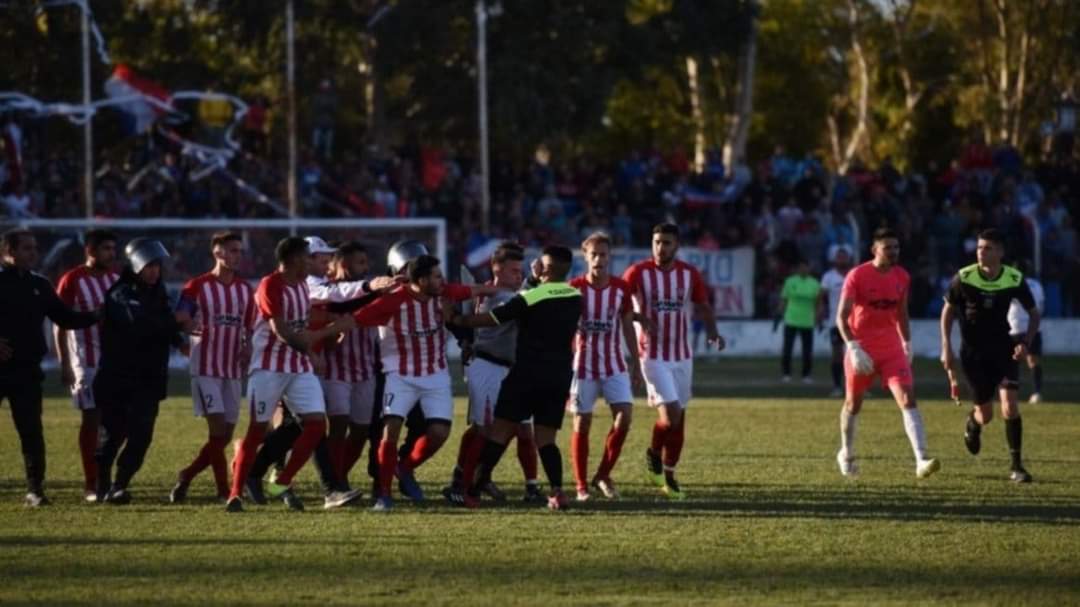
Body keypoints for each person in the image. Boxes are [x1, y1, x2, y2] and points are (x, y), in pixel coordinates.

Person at [344, 255, 502, 511]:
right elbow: (356, 317)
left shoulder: (443, 294)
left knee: (439, 433)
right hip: (399, 375)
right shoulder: (393, 299)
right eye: (437, 276)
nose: (443, 280)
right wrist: (321, 334)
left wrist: (513, 288)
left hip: (435, 376)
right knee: (389, 429)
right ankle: (383, 494)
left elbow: (477, 289)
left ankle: (403, 469)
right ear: (422, 279)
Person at [224, 237, 355, 513]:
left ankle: (282, 481)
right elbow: (284, 333)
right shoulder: (270, 285)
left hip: (297, 367)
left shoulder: (301, 287)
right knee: (257, 430)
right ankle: (235, 494)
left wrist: (314, 351)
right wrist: (326, 333)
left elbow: (302, 327)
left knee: (317, 424)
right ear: (295, 259)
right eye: (309, 257)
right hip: (268, 368)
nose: (314, 262)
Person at [450, 245, 583, 510]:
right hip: (559, 376)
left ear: (544, 268)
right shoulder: (575, 294)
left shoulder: (532, 296)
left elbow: (494, 318)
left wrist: (459, 320)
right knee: (546, 439)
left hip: (526, 373)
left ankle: (473, 491)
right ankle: (558, 492)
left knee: (498, 432)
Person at [623, 224, 724, 500]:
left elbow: (702, 305)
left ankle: (669, 476)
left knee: (678, 420)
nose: (661, 247)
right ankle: (654, 453)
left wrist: (713, 332)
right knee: (672, 414)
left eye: (666, 243)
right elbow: (620, 307)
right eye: (657, 242)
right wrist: (639, 317)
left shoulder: (689, 274)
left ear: (676, 245)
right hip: (651, 354)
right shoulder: (637, 272)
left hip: (682, 355)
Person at [0, 229, 100, 507]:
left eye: (35, 248)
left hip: (27, 371)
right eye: (26, 248)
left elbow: (65, 318)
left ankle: (35, 490)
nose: (34, 253)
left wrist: (97, 315)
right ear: (8, 251)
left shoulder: (41, 285)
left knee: (32, 432)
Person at [444, 242, 544, 505]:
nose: (517, 275)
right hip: (488, 366)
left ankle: (529, 486)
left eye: (520, 270)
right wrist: (536, 282)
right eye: (512, 270)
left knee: (522, 429)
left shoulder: (507, 292)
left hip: (512, 368)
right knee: (484, 428)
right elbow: (519, 303)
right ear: (496, 268)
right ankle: (464, 482)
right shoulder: (494, 295)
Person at [836, 228, 940, 479]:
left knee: (907, 398)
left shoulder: (902, 276)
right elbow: (841, 317)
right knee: (853, 403)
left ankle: (921, 459)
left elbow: (901, 313)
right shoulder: (857, 275)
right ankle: (846, 453)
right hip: (861, 349)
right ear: (875, 250)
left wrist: (907, 343)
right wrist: (853, 346)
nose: (893, 252)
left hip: (892, 349)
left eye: (896, 247)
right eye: (887, 247)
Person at [941, 229, 1039, 483]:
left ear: (1000, 252)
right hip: (973, 354)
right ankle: (973, 424)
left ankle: (1017, 466)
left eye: (987, 248)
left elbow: (1034, 313)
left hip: (1004, 350)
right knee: (986, 415)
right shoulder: (964, 277)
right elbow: (948, 312)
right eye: (979, 248)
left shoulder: (1014, 278)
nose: (981, 252)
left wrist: (1025, 343)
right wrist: (946, 347)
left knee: (1010, 406)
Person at [94, 238, 185, 504]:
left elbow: (164, 323)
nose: (154, 271)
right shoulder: (120, 293)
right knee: (111, 435)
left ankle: (120, 485)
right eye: (149, 266)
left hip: (150, 378)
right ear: (135, 266)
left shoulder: (158, 292)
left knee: (142, 435)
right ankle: (102, 483)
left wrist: (179, 340)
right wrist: (175, 323)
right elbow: (141, 325)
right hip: (118, 378)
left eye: (157, 266)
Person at [170, 232, 255, 503]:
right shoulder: (197, 286)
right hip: (205, 368)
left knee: (225, 435)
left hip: (232, 369)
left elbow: (251, 326)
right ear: (217, 253)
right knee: (217, 430)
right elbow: (181, 315)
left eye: (239, 251)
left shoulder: (244, 289)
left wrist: (248, 346)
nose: (237, 255)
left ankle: (187, 474)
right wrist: (186, 324)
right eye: (232, 250)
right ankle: (223, 491)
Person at [567, 232, 644, 501]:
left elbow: (627, 327)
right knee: (582, 422)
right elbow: (566, 331)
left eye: (603, 254)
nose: (599, 259)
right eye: (594, 254)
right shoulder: (574, 288)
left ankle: (602, 474)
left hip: (614, 364)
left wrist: (635, 362)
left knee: (624, 418)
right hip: (584, 365)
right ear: (586, 257)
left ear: (609, 257)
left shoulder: (621, 289)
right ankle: (580, 485)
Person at [54, 229, 120, 502]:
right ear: (90, 251)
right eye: (105, 249)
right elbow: (60, 323)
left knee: (116, 423)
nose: (111, 254)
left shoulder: (116, 280)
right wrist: (65, 363)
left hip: (114, 362)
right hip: (85, 362)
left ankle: (106, 479)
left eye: (113, 249)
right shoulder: (72, 280)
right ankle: (91, 484)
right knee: (92, 419)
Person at [1006, 262, 1045, 404]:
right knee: (1033, 361)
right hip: (1033, 327)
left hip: (1015, 326)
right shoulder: (1037, 285)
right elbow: (1041, 305)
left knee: (1012, 362)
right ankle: (1037, 392)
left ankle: (1012, 393)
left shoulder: (1012, 283)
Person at [777, 258, 821, 383]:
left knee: (807, 350)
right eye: (801, 267)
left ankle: (806, 375)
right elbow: (784, 299)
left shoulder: (814, 283)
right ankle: (786, 374)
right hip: (791, 320)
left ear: (809, 268)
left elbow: (818, 303)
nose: (803, 269)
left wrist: (818, 317)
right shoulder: (790, 281)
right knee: (787, 349)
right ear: (797, 269)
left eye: (805, 267)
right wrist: (779, 314)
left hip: (807, 321)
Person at [819, 246, 853, 397]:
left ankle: (857, 387)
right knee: (837, 354)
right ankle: (837, 386)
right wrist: (820, 313)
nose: (841, 259)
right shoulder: (829, 277)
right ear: (834, 259)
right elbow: (822, 298)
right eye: (839, 257)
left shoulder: (854, 274)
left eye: (844, 256)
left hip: (855, 323)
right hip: (835, 322)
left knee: (855, 355)